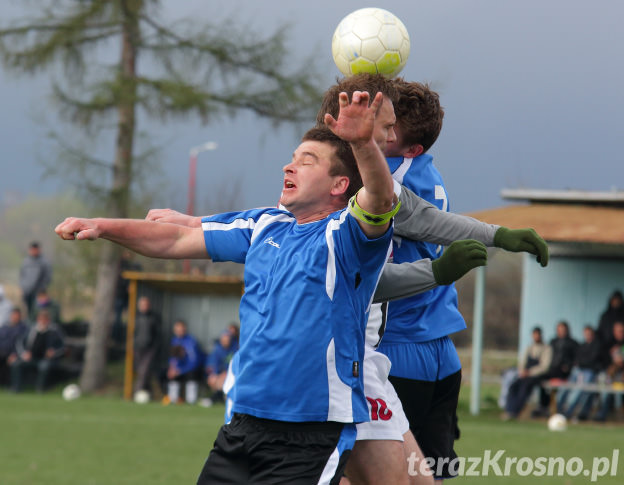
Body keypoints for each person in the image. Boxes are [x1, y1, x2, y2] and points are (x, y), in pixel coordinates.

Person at [147, 73, 547, 485]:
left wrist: (497, 237)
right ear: (350, 120)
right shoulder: (330, 183)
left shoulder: (377, 185)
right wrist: (197, 223)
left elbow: (426, 220)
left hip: (364, 362)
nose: (391, 136)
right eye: (385, 126)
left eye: (393, 128)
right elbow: (265, 225)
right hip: (329, 376)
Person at [56, 88, 401, 483]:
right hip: (243, 424)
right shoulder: (265, 226)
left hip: (309, 432)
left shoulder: (347, 237)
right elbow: (172, 239)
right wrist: (101, 226)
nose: (289, 168)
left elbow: (378, 198)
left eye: (306, 162)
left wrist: (361, 145)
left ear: (339, 185)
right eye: (290, 160)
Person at [9, 309, 65, 393]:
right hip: (31, 358)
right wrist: (24, 354)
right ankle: (16, 388)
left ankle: (40, 389)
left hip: (46, 359)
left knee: (44, 366)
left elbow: (62, 346)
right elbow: (20, 342)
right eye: (40, 319)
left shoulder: (54, 330)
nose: (42, 322)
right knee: (16, 364)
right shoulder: (31, 329)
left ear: (48, 320)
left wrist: (53, 352)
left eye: (45, 320)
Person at [531, 320, 579, 417]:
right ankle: (544, 405)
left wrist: (568, 366)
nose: (561, 332)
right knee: (541, 379)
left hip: (564, 371)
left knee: (557, 386)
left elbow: (576, 359)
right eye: (559, 330)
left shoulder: (573, 343)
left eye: (563, 330)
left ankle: (558, 408)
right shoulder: (553, 342)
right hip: (552, 369)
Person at [503, 327, 552, 419]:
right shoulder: (529, 348)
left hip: (536, 376)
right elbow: (522, 362)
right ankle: (508, 410)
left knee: (524, 390)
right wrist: (522, 371)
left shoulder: (546, 349)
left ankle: (515, 412)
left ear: (541, 335)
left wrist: (529, 372)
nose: (536, 337)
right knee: (513, 387)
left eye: (538, 334)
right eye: (534, 335)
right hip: (525, 375)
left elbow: (544, 367)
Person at [557, 325, 603, 420]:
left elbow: (591, 360)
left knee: (579, 390)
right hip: (578, 371)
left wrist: (582, 363)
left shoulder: (597, 346)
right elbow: (577, 359)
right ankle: (558, 411)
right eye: (585, 334)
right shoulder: (582, 346)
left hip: (589, 372)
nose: (587, 336)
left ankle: (569, 412)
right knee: (566, 387)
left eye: (589, 334)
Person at [165, 320, 205, 405]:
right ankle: (173, 399)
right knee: (168, 375)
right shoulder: (174, 340)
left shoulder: (191, 341)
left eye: (181, 330)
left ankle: (191, 400)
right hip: (179, 369)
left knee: (191, 375)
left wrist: (180, 370)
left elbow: (194, 362)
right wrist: (172, 369)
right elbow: (173, 358)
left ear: (185, 329)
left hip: (191, 369)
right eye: (177, 330)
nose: (179, 332)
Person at [133, 296, 162, 397]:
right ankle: (149, 393)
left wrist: (155, 347)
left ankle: (136, 393)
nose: (144, 307)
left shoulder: (154, 317)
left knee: (143, 371)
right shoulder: (135, 316)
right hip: (137, 348)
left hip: (150, 348)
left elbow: (158, 334)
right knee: (143, 372)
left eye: (146, 305)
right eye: (142, 305)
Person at [112, 250, 143, 343]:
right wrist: (126, 286)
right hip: (120, 295)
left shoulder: (130, 265)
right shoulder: (119, 265)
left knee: (131, 318)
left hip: (128, 297)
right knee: (118, 319)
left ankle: (127, 338)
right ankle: (116, 338)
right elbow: (121, 279)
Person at [19, 241, 52, 318]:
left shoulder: (44, 262)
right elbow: (22, 275)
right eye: (32, 250)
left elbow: (47, 277)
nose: (33, 252)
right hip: (27, 292)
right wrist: (23, 288)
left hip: (38, 293)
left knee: (38, 312)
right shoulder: (26, 262)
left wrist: (41, 289)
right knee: (28, 312)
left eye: (35, 249)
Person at [205, 330, 237, 404]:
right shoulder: (217, 350)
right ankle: (218, 397)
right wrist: (214, 374)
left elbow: (236, 365)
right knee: (212, 380)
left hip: (231, 374)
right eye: (223, 340)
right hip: (220, 374)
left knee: (225, 381)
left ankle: (220, 398)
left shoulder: (235, 349)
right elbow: (212, 364)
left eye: (227, 340)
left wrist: (226, 373)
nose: (225, 342)